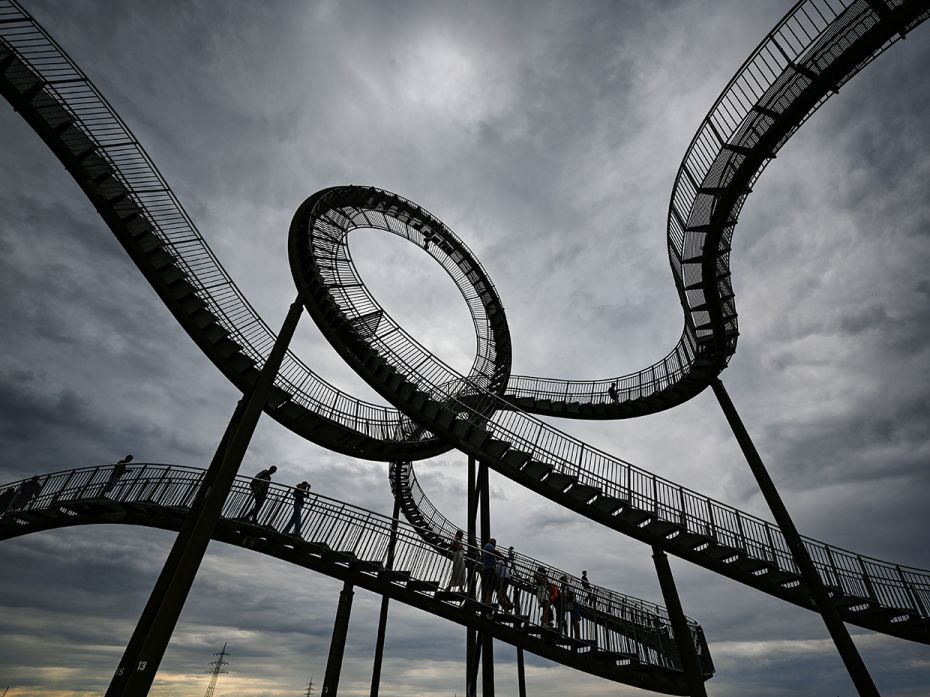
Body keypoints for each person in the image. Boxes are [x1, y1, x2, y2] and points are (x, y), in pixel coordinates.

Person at [496, 546, 515, 612]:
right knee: (503, 592)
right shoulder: (504, 562)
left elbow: (498, 572)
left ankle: (506, 605)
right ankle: (507, 605)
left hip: (502, 578)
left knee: (500, 593)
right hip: (507, 578)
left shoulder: (499, 562)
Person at [480, 537, 498, 604]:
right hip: (488, 569)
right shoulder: (488, 545)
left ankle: (488, 599)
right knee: (489, 585)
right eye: (494, 542)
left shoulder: (490, 547)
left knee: (492, 585)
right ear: (491, 542)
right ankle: (487, 600)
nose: (495, 544)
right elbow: (495, 552)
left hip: (491, 569)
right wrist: (503, 557)